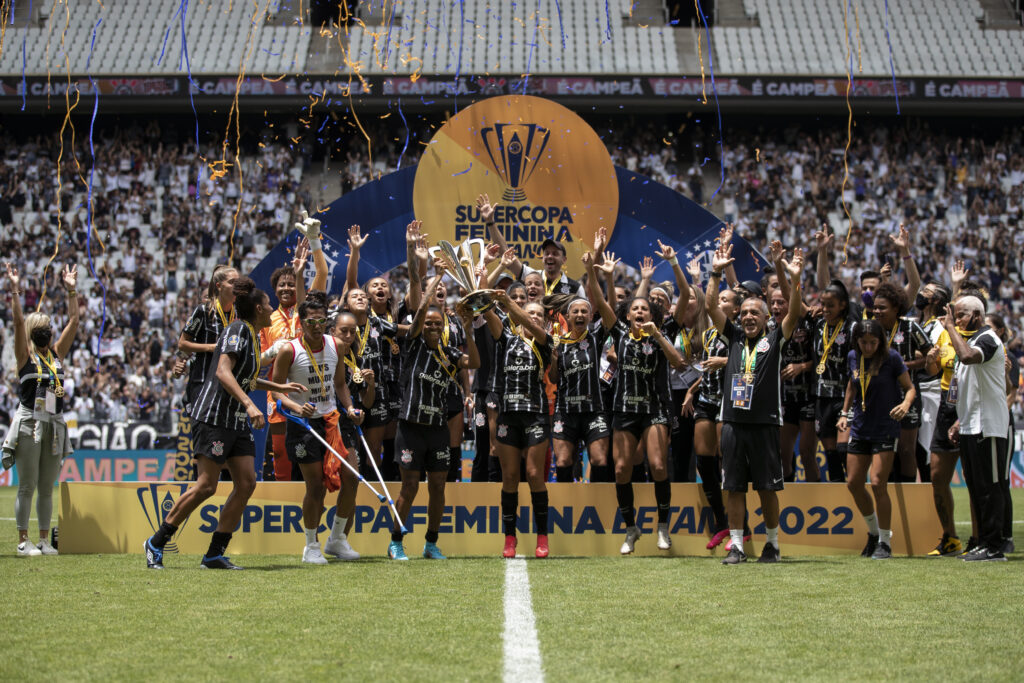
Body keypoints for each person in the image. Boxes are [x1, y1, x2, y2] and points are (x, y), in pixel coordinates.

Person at [145, 278, 306, 570]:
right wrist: (248, 403)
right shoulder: (237, 330)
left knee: (246, 483)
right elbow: (223, 371)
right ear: (258, 308)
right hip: (214, 417)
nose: (271, 309)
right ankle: (156, 541)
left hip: (235, 420)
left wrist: (279, 387)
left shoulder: (254, 336)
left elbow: (246, 378)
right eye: (268, 305)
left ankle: (214, 553)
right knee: (206, 486)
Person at [707, 243, 804, 565]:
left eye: (755, 313)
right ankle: (736, 545)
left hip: (765, 424)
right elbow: (710, 306)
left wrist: (791, 276)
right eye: (744, 312)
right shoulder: (732, 336)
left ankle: (773, 545)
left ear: (765, 319)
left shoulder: (775, 338)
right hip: (733, 423)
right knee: (733, 488)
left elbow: (795, 309)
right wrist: (715, 273)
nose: (749, 317)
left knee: (766, 489)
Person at [583, 251, 684, 555]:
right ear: (627, 315)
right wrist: (593, 270)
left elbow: (679, 363)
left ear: (652, 315)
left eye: (645, 309)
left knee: (657, 465)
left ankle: (663, 528)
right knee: (622, 469)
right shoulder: (620, 333)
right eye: (635, 309)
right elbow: (600, 303)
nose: (640, 311)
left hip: (654, 410)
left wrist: (659, 336)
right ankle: (631, 529)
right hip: (624, 410)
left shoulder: (662, 333)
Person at [387, 268, 479, 560]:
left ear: (443, 327)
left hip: (438, 429)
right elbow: (421, 311)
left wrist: (467, 330)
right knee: (410, 486)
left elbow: (473, 360)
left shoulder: (450, 352)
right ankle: (396, 542)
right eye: (427, 323)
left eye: (437, 324)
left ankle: (430, 543)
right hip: (411, 427)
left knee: (438, 486)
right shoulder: (413, 345)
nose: (432, 326)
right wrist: (436, 280)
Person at [270, 290, 363, 565]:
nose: (315, 326)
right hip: (302, 424)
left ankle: (337, 540)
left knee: (352, 477)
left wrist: (349, 408)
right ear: (301, 322)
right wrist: (297, 407)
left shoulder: (337, 345)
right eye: (310, 322)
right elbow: (276, 391)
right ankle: (311, 545)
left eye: (320, 321)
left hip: (332, 421)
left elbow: (340, 385)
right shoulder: (290, 349)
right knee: (316, 487)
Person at [3, 263, 77, 556]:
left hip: (54, 422)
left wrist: (71, 288)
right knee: (28, 484)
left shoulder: (57, 353)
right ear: (35, 332)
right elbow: (18, 322)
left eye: (50, 327)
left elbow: (75, 320)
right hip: (30, 422)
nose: (49, 330)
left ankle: (44, 540)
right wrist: (15, 289)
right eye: (44, 327)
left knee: (47, 486)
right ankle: (23, 540)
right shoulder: (25, 357)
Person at [837, 319, 917, 559]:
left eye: (873, 342)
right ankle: (873, 533)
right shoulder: (853, 356)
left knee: (878, 482)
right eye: (864, 342)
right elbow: (853, 385)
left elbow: (910, 388)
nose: (868, 347)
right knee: (853, 483)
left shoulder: (891, 358)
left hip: (885, 427)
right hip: (860, 427)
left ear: (881, 341)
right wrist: (844, 413)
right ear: (857, 341)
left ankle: (885, 541)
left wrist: (905, 403)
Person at [487, 288, 555, 559]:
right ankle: (509, 538)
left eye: (539, 314)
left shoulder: (545, 340)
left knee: (535, 475)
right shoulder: (507, 338)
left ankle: (542, 536)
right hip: (508, 416)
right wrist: (483, 286)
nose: (535, 318)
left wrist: (508, 304)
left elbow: (525, 323)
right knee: (511, 478)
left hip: (536, 414)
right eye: (531, 314)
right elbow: (490, 314)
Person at [262, 211, 329, 482]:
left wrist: (306, 262)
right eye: (282, 284)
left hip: (310, 389)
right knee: (280, 455)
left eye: (292, 283)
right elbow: (261, 362)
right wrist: (273, 351)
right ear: (275, 289)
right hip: (278, 392)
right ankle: (282, 502)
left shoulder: (308, 311)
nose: (287, 288)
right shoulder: (266, 319)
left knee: (312, 452)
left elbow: (321, 274)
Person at [946, 296, 1011, 561]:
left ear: (977, 315)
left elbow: (967, 357)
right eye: (956, 315)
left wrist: (950, 327)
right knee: (976, 487)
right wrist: (960, 420)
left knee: (990, 486)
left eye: (962, 315)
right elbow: (970, 389)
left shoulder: (987, 339)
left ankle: (995, 546)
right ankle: (984, 542)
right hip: (972, 424)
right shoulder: (972, 340)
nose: (958, 319)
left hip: (989, 425)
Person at [686, 279, 738, 549]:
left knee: (727, 463)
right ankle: (721, 524)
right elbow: (705, 368)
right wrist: (691, 391)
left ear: (736, 309)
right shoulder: (707, 334)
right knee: (704, 463)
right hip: (706, 400)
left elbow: (754, 360)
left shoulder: (739, 333)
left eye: (725, 301)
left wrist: (725, 361)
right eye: (718, 301)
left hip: (729, 403)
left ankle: (741, 526)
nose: (719, 304)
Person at [871, 283, 932, 482]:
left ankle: (909, 492)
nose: (877, 311)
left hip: (908, 395)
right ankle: (886, 493)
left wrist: (904, 366)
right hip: (880, 398)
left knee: (906, 450)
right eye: (875, 307)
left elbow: (930, 357)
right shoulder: (872, 329)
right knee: (885, 449)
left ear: (896, 308)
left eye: (882, 308)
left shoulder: (910, 327)